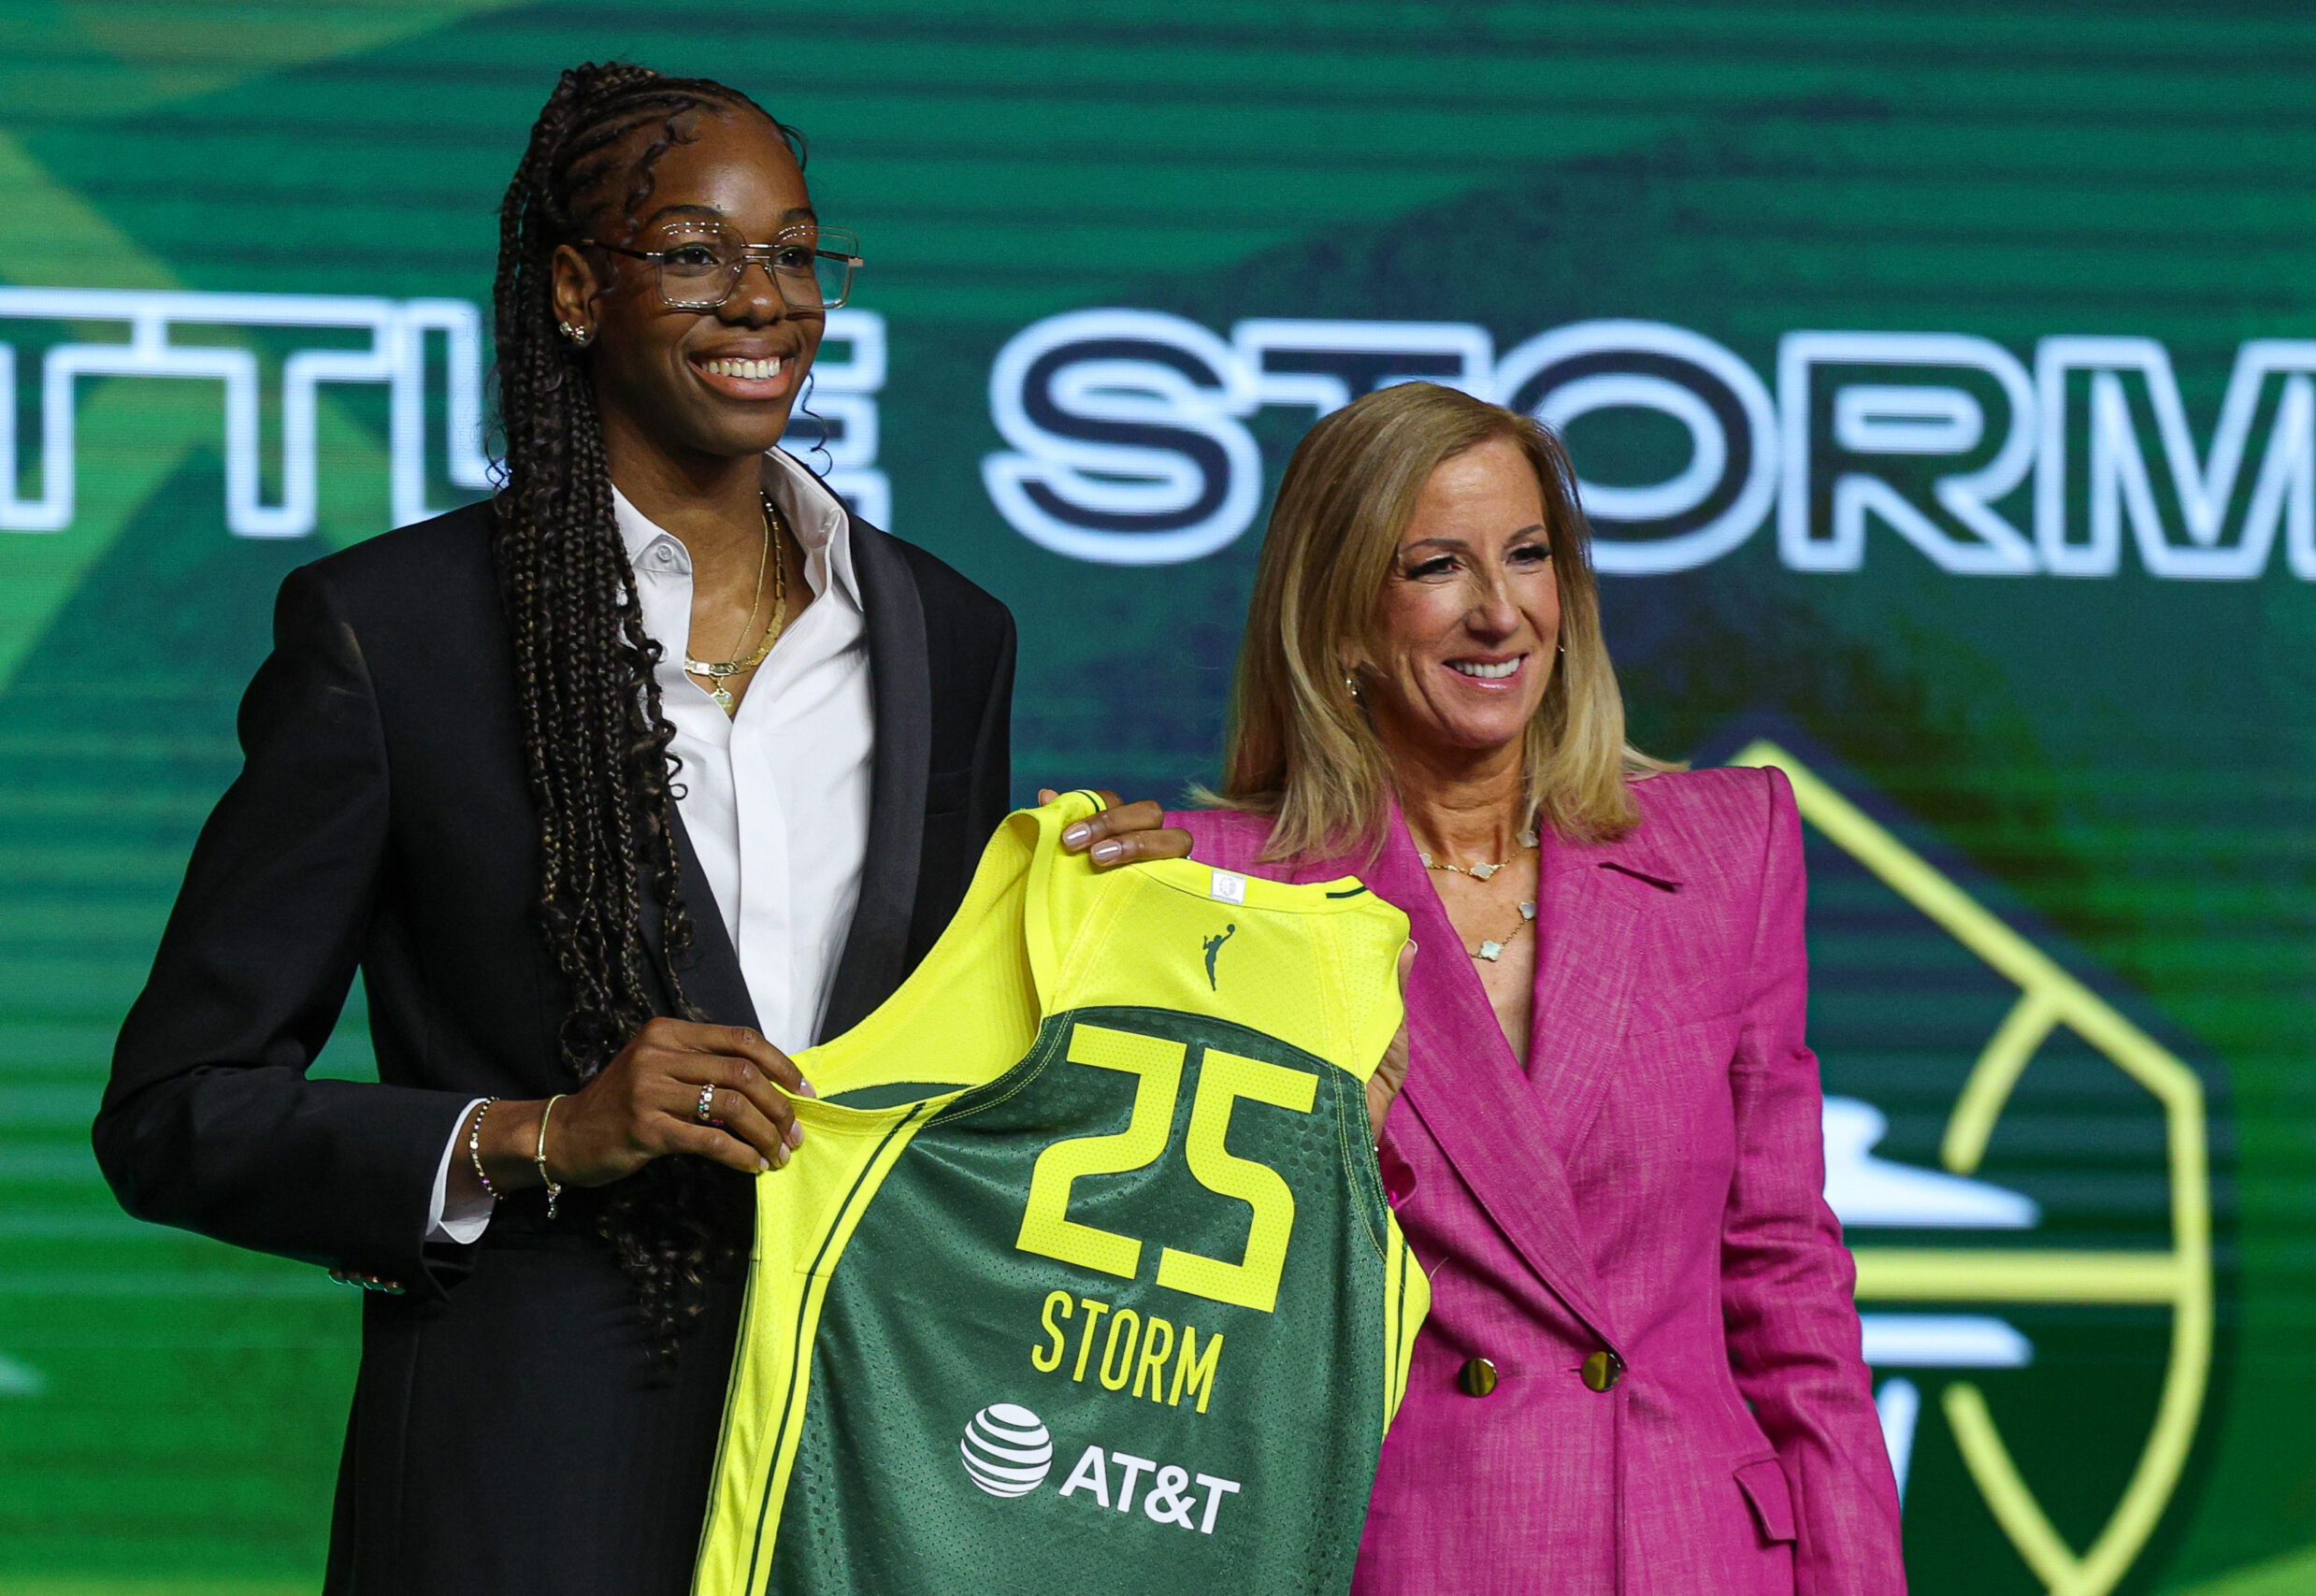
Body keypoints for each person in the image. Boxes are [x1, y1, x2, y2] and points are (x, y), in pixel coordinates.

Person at [93, 64, 1187, 1596]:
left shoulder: (951, 631)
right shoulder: (392, 638)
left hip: (868, 1464)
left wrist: (1103, 931)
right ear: (572, 291)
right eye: (694, 252)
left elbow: (948, 1060)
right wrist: (540, 1136)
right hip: (528, 1481)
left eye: (795, 254)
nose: (763, 300)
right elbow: (174, 1110)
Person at [1169, 382, 1905, 1595]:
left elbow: (1786, 1282)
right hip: (1414, 1553)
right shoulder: (1225, 895)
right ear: (1343, 617)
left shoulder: (1726, 851)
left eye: (1529, 556)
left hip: (1698, 1556)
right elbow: (1180, 1315)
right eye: (1437, 567)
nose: (1500, 612)